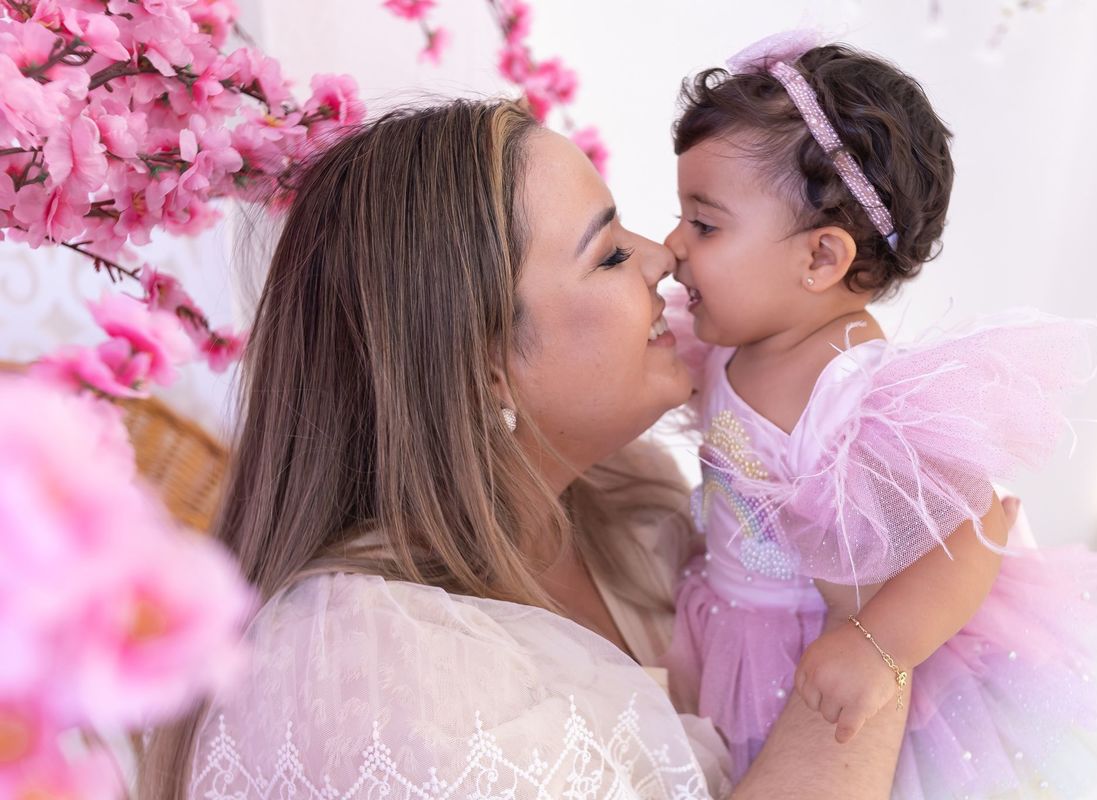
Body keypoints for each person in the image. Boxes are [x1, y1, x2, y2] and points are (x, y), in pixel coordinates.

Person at [137, 98, 919, 799]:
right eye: (608, 253)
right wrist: (881, 625)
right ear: (484, 367)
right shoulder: (373, 676)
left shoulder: (629, 505)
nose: (663, 258)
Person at [660, 32, 1097, 799]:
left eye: (704, 225)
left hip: (811, 658)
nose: (674, 245)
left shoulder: (853, 392)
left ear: (820, 260)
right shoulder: (730, 339)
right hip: (731, 625)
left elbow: (974, 537)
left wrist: (877, 649)